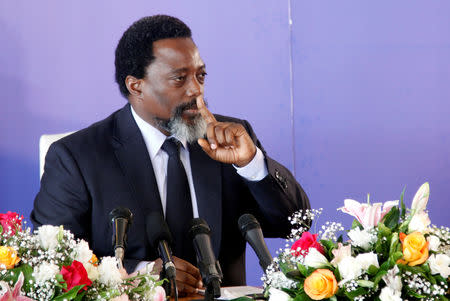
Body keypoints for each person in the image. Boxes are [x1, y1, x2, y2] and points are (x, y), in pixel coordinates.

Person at [31, 15, 310, 295]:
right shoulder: (77, 157)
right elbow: (55, 264)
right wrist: (141, 276)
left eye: (200, 75)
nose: (196, 90)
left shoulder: (230, 138)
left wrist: (251, 163)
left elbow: (296, 225)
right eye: (180, 78)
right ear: (135, 85)